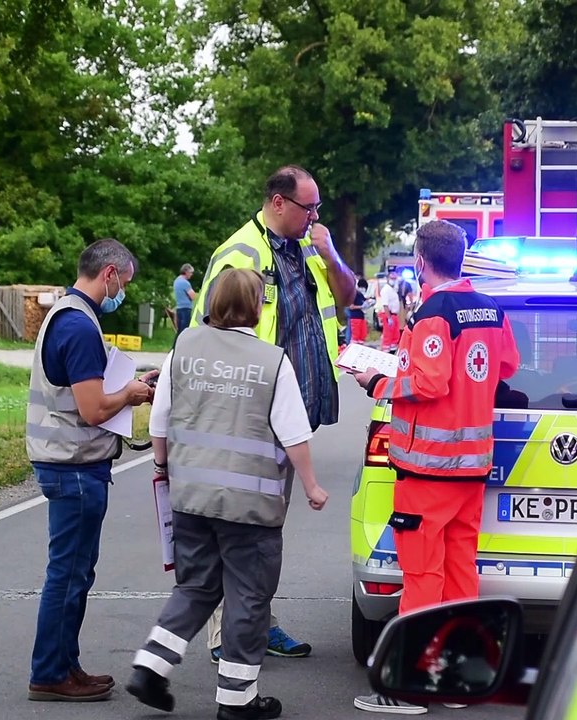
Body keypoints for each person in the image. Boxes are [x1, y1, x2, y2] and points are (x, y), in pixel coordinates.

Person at [126, 268, 330, 720]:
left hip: (191, 498)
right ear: (257, 308)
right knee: (248, 597)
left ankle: (150, 667)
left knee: (196, 585)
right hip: (250, 508)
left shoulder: (185, 347)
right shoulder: (271, 361)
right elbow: (294, 434)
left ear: (214, 302)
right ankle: (237, 702)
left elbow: (160, 421)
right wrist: (312, 486)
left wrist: (161, 467)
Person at [351, 220, 519, 714]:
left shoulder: (432, 313)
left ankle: (410, 686)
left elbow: (428, 383)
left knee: (422, 575)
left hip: (428, 470)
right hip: (471, 469)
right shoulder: (489, 308)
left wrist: (375, 383)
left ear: (422, 262)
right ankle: (460, 678)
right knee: (460, 572)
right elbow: (505, 366)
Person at [189, 165, 356, 661]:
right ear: (279, 203)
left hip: (290, 413)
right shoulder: (241, 253)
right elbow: (205, 336)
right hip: (245, 418)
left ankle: (257, 621)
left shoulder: (308, 247)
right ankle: (227, 636)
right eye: (310, 208)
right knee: (240, 529)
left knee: (265, 531)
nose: (316, 216)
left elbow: (345, 299)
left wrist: (330, 253)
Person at [26, 238, 159, 702]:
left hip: (67, 462)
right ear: (109, 274)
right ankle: (49, 673)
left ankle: (65, 664)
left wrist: (128, 385)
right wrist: (132, 395)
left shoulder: (64, 313)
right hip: (75, 466)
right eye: (124, 281)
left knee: (76, 572)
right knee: (69, 573)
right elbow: (93, 409)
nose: (124, 290)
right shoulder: (80, 327)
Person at [378, 269, 401, 351]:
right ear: (387, 278)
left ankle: (392, 350)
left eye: (395, 278)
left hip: (394, 315)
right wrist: (389, 318)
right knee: (388, 336)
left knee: (395, 336)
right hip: (389, 315)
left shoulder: (393, 289)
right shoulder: (386, 290)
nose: (393, 280)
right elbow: (385, 305)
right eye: (392, 278)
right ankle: (386, 353)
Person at [173, 263, 197, 338]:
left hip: (179, 308)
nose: (191, 274)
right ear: (186, 271)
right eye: (191, 272)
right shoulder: (185, 283)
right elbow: (193, 296)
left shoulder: (176, 281)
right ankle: (181, 347)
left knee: (180, 330)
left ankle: (175, 347)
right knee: (185, 331)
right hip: (186, 308)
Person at [348, 278, 370, 345]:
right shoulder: (354, 294)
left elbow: (365, 301)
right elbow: (351, 306)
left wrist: (369, 302)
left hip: (361, 318)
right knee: (355, 338)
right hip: (355, 318)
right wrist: (361, 307)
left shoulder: (361, 295)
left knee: (362, 337)